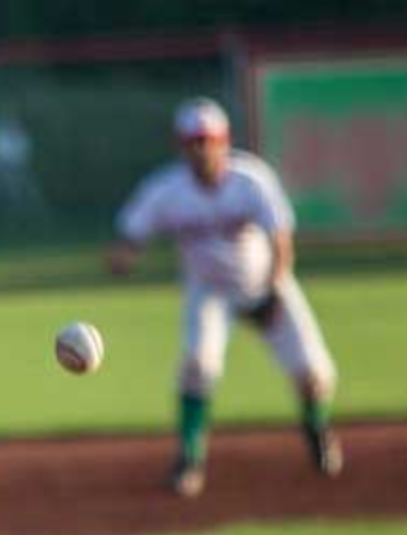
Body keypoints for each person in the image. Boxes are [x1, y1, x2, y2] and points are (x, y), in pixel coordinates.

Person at [108, 97, 343, 498]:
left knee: (315, 374)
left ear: (224, 141)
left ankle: (316, 429)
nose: (201, 148)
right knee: (198, 365)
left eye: (208, 139)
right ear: (180, 146)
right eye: (192, 141)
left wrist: (271, 291)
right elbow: (130, 234)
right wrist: (124, 256)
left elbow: (281, 242)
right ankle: (189, 459)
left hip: (267, 282)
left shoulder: (251, 180)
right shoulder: (167, 190)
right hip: (209, 292)